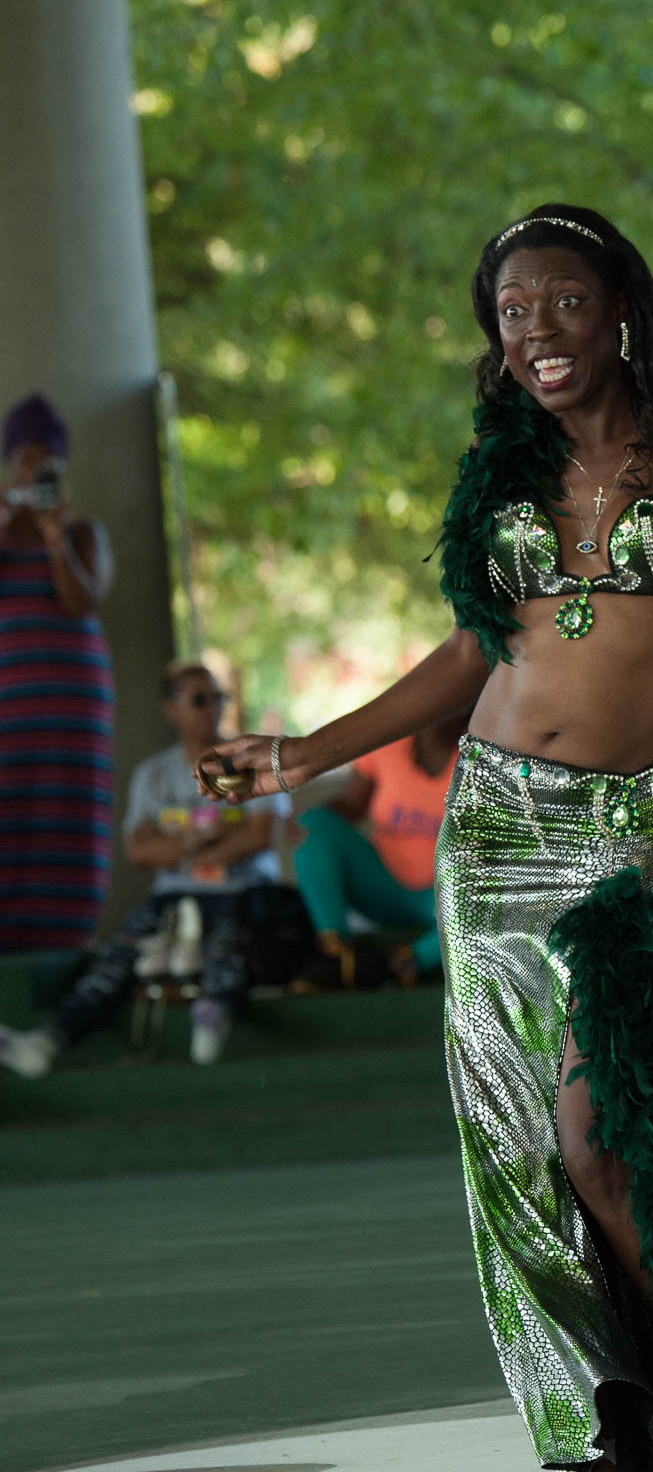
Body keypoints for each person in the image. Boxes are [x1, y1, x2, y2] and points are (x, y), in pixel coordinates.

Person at [200, 203, 653, 1472]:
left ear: (619, 307)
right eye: (513, 309)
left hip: (642, 822)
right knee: (521, 1154)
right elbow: (476, 650)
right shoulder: (504, 459)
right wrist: (299, 752)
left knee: (610, 1134)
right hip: (495, 823)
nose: (537, 329)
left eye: (563, 302)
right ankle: (600, 1435)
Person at [0, 661, 289, 1077]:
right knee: (120, 956)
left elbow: (259, 835)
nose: (213, 707)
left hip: (241, 894)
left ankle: (214, 1015)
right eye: (199, 699)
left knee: (233, 944)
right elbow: (139, 851)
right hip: (173, 899)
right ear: (171, 709)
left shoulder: (248, 759)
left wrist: (182, 850)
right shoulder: (153, 775)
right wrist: (202, 841)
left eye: (218, 697)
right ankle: (48, 1042)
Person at [0, 393, 115, 951]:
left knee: (66, 822)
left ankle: (62, 942)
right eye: (24, 460)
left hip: (73, 711)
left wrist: (52, 536)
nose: (33, 470)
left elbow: (79, 603)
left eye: (44, 462)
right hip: (10, 712)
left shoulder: (82, 533)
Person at [291, 716, 460, 987]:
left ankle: (404, 964)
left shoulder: (484, 755)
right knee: (313, 826)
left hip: (445, 900)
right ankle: (336, 951)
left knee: (493, 889)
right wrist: (307, 818)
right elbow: (351, 804)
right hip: (382, 887)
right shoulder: (390, 742)